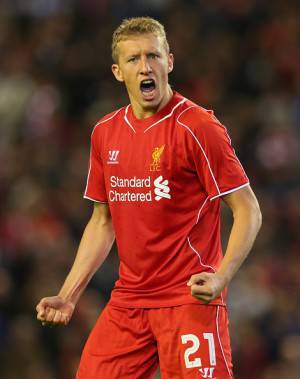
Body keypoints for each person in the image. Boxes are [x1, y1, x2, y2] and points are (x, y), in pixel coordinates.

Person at [36, 17, 262, 379]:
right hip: (129, 302)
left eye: (154, 56)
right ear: (117, 71)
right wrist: (68, 295)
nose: (146, 66)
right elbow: (102, 221)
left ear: (169, 61)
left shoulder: (198, 127)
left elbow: (248, 209)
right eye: (134, 59)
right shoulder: (105, 133)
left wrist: (222, 277)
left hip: (188, 299)